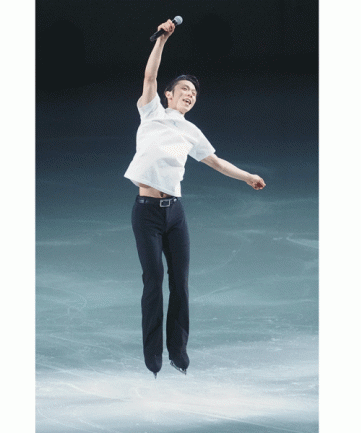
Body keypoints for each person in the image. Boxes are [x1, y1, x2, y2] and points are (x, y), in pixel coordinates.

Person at [124, 19, 266, 378]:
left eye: (194, 93)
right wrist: (161, 39)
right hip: (146, 213)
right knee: (153, 281)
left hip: (175, 214)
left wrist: (247, 176)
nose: (190, 94)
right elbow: (150, 77)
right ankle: (153, 356)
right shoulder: (152, 113)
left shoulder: (190, 132)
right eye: (184, 89)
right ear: (169, 95)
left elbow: (215, 162)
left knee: (181, 284)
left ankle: (178, 352)